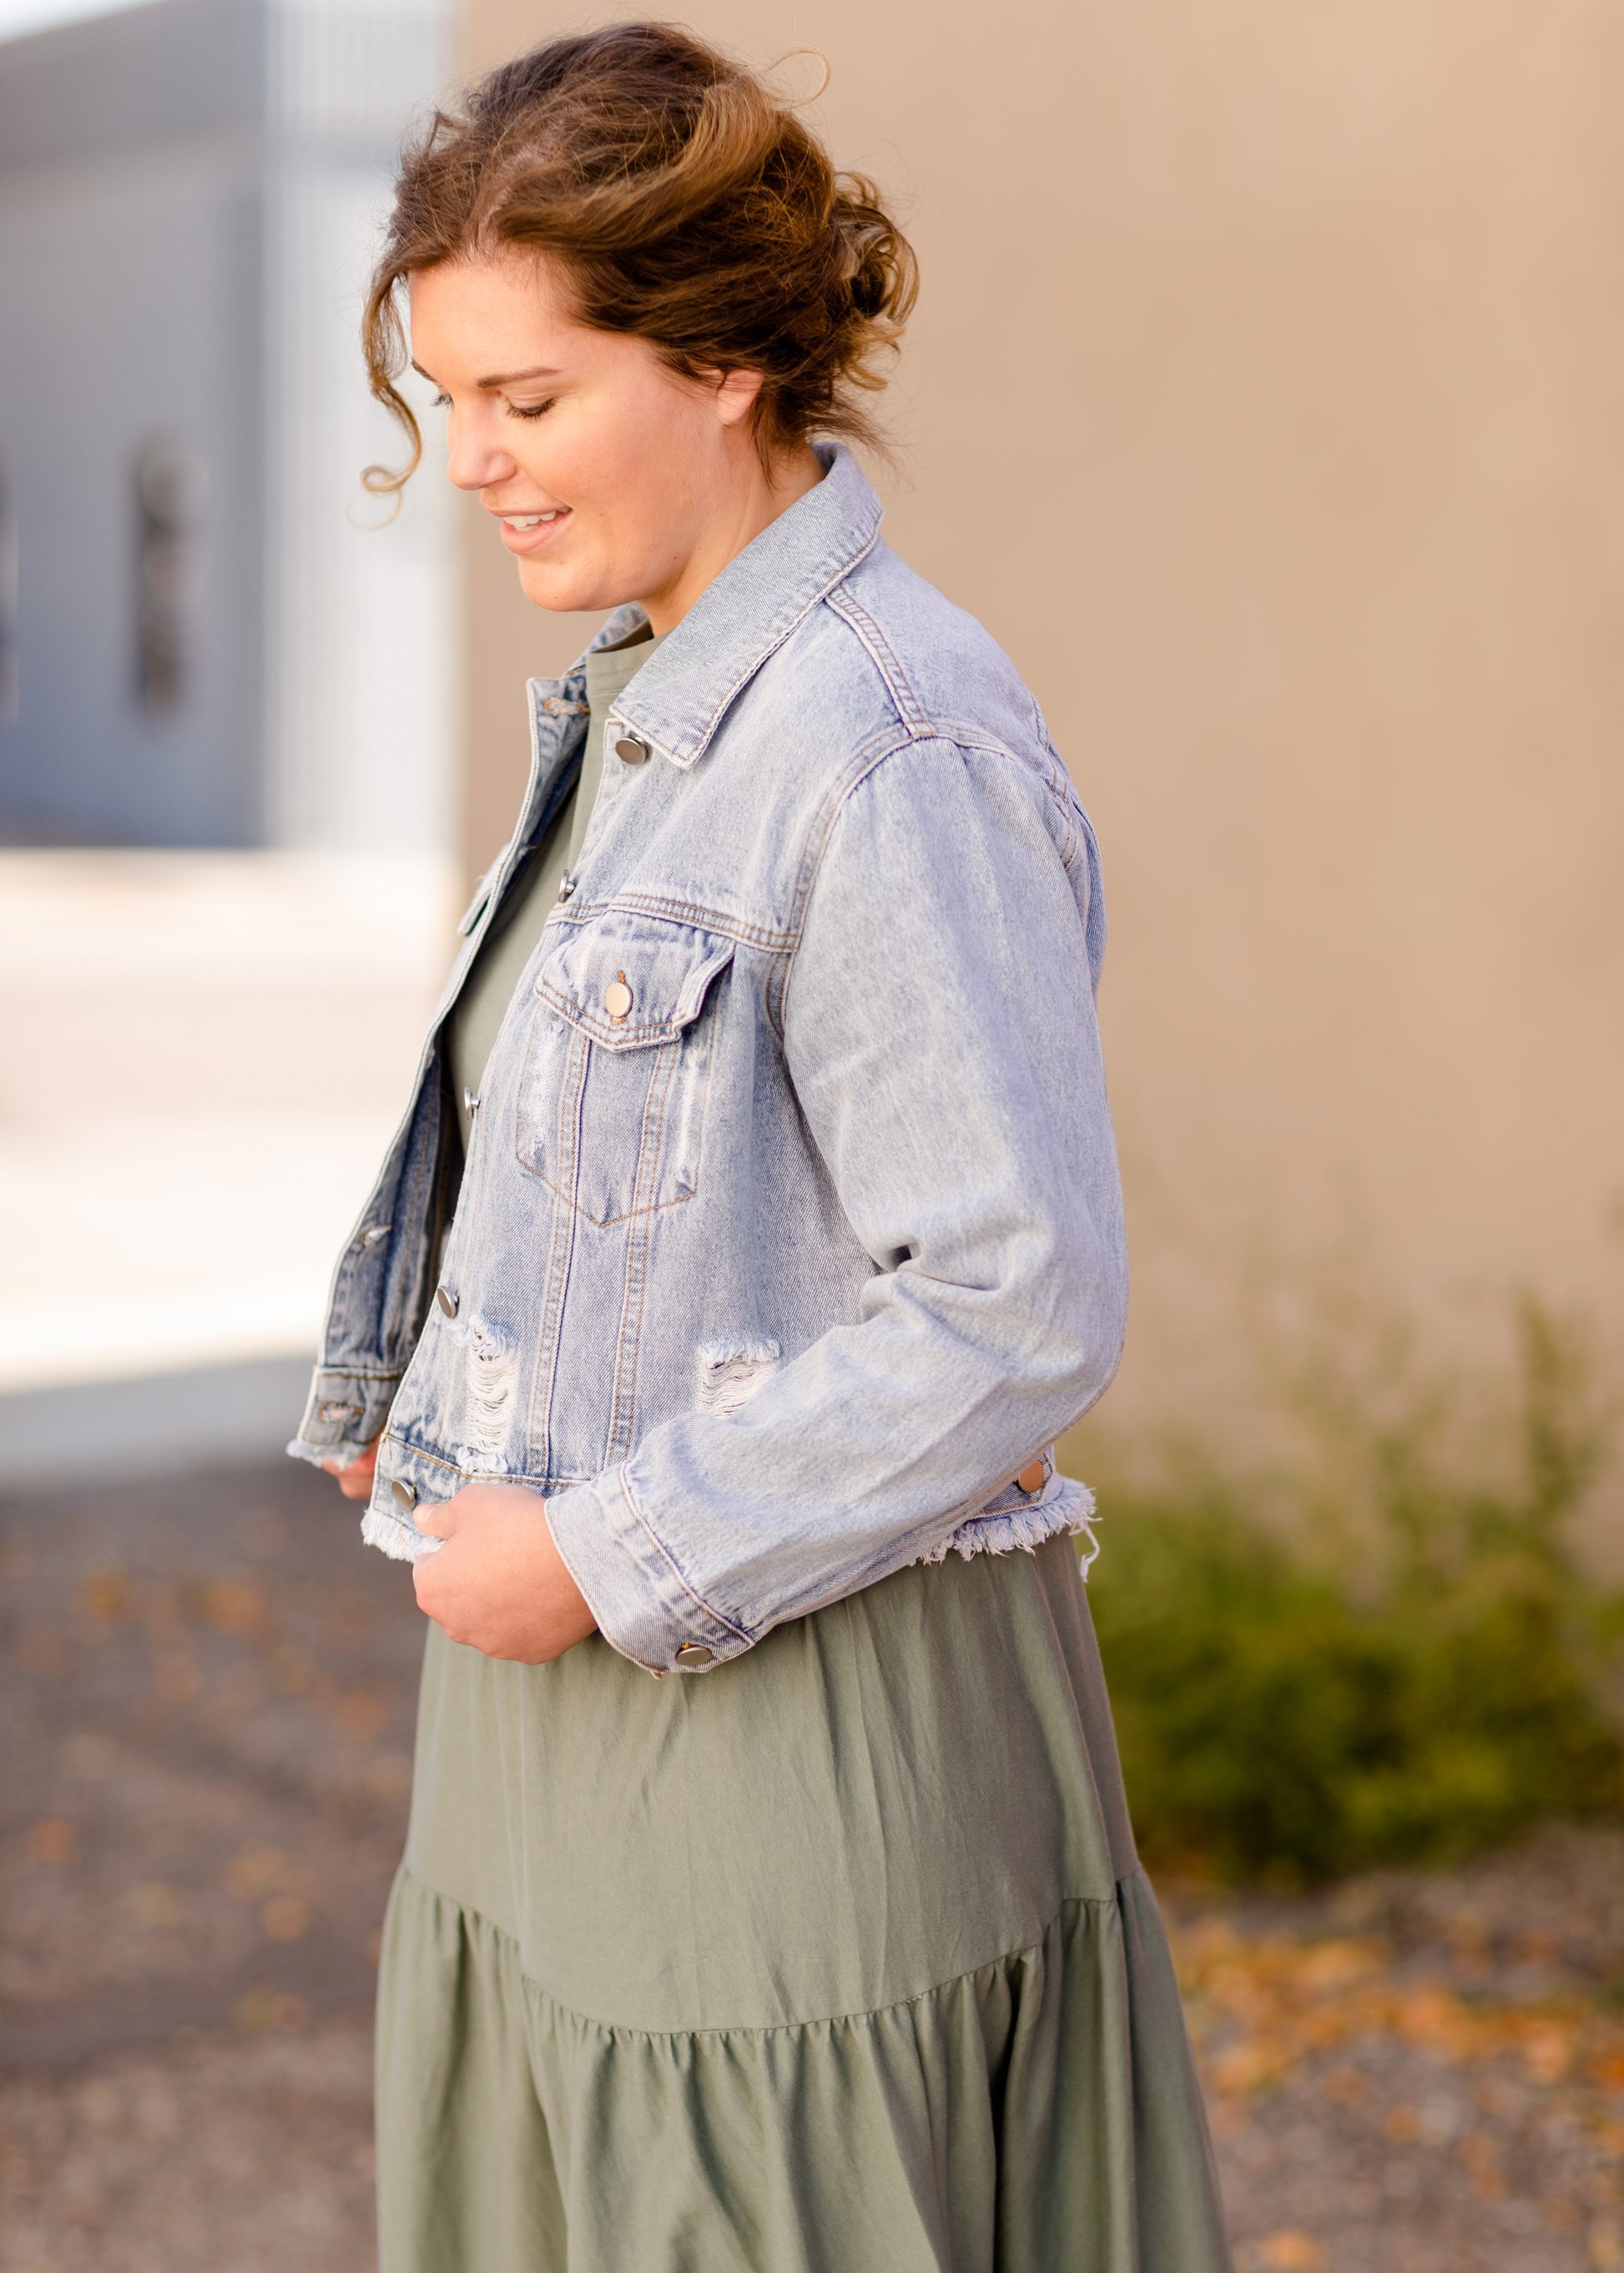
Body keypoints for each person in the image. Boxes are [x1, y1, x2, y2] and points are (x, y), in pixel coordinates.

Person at [290, 23, 1231, 2271]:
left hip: (780, 1748)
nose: (481, 468)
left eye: (527, 401)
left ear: (718, 357)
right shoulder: (651, 697)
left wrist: (601, 1545)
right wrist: (430, 1393)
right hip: (560, 1726)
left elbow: (1012, 1301)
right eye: (450, 411)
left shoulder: (879, 739)